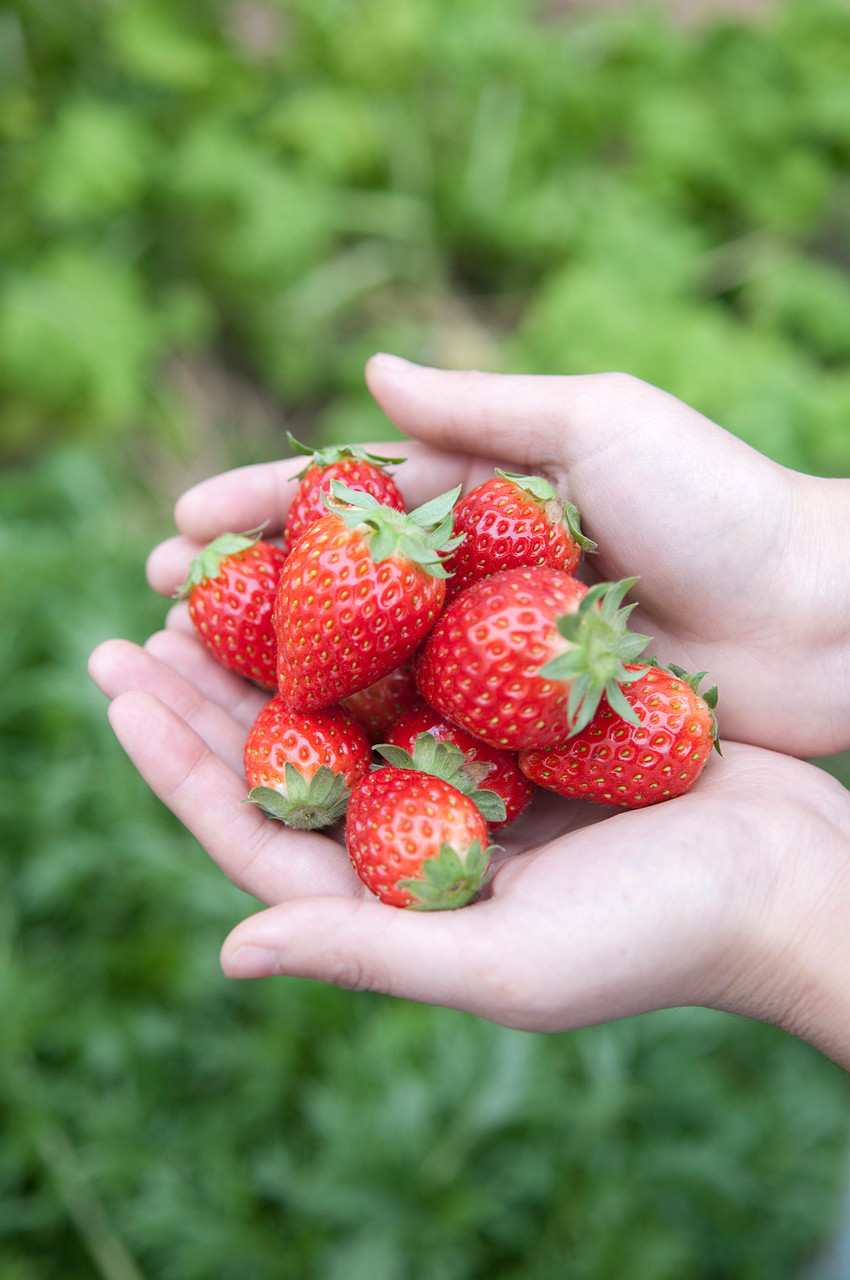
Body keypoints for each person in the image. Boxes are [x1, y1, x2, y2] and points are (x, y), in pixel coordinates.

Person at [88, 357, 850, 1071]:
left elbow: (472, 665)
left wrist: (794, 898)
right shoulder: (432, 605)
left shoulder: (486, 627)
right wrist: (803, 571)